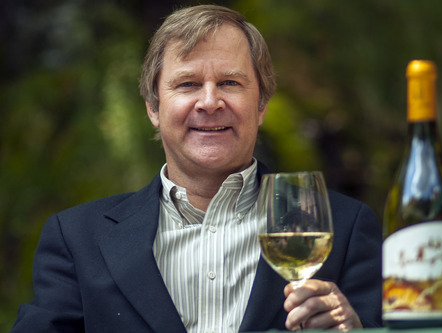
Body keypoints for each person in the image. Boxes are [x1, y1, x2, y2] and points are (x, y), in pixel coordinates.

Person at [12, 4, 382, 332]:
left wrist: (356, 330)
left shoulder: (345, 228)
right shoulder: (77, 239)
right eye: (188, 84)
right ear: (153, 108)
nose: (209, 101)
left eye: (230, 83)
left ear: (262, 105)